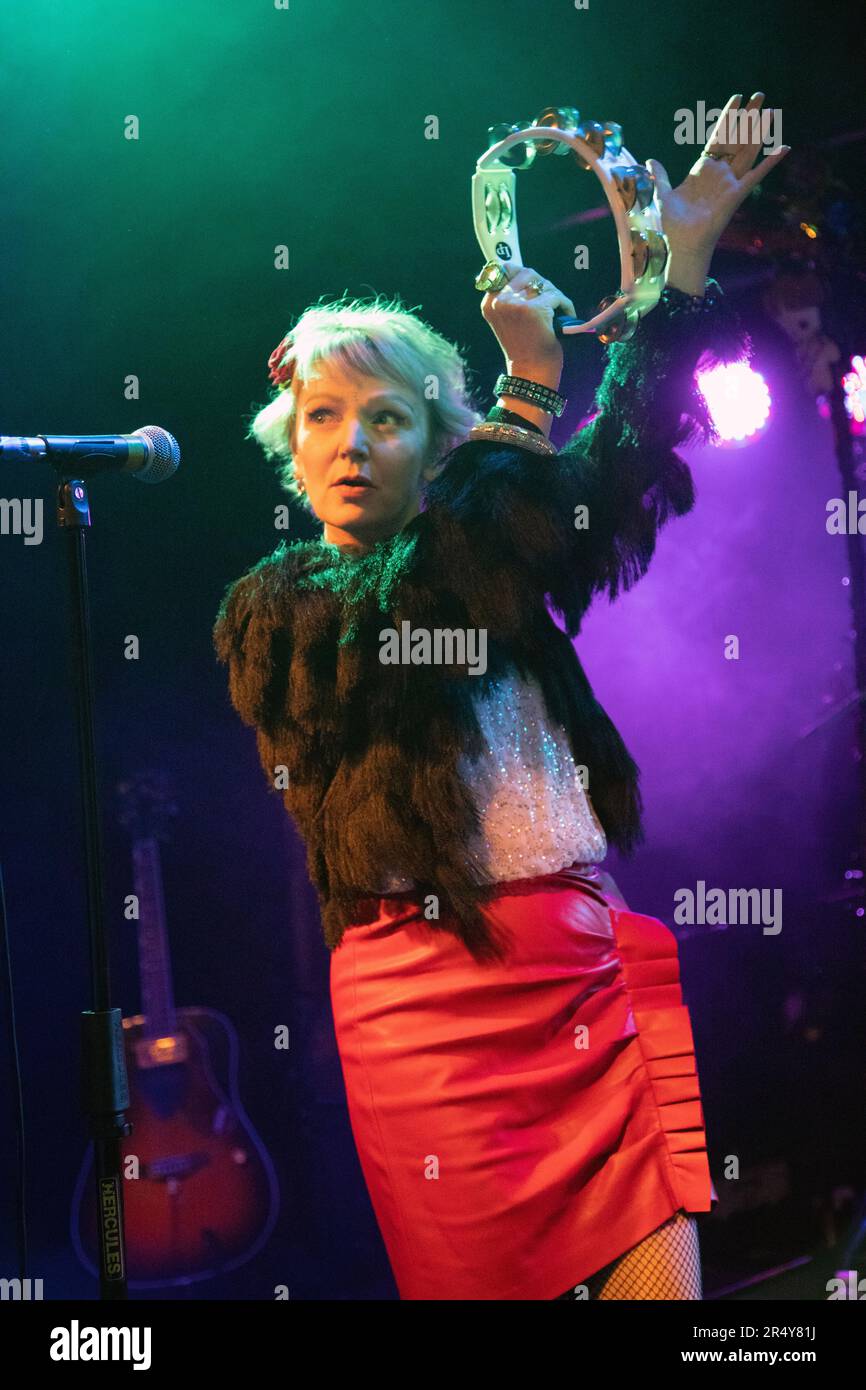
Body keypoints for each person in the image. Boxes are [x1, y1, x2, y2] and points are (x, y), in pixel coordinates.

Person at [213, 95, 789, 1300]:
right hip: (429, 1022)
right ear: (290, 442)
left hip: (577, 973)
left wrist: (675, 266)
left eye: (388, 417)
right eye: (324, 417)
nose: (352, 442)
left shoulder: (491, 539)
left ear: (436, 440)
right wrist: (529, 389)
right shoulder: (277, 609)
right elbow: (422, 613)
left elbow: (618, 470)